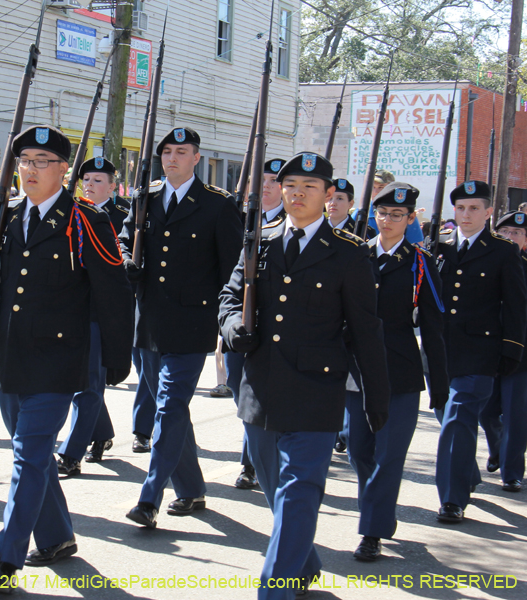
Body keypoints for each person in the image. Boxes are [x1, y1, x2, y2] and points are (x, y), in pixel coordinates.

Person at [0, 125, 132, 588]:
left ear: (64, 171)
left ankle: (6, 559)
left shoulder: (86, 222)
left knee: (29, 453)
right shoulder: (7, 214)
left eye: (41, 161)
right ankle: (56, 538)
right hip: (11, 357)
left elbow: (114, 293)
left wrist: (117, 356)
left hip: (58, 361)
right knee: (34, 457)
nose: (30, 170)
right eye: (24, 161)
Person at [219, 152, 390, 598]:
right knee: (278, 491)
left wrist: (377, 397)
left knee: (299, 493)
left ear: (329, 195)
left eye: (309, 187)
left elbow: (365, 332)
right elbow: (229, 297)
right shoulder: (260, 240)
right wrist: (235, 326)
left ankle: (273, 590)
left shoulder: (349, 255)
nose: (296, 194)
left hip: (317, 392)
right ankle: (305, 561)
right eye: (290, 185)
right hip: (261, 388)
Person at [119, 126, 243, 528]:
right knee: (170, 412)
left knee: (169, 408)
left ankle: (150, 496)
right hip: (149, 322)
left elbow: (232, 272)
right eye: (167, 152)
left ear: (196, 158)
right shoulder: (144, 200)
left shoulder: (218, 206)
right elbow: (121, 242)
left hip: (192, 325)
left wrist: (229, 324)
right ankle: (190, 489)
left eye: (181, 151)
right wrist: (127, 261)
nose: (172, 158)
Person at [345, 182, 448, 561]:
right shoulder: (356, 255)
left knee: (389, 455)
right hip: (357, 373)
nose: (388, 221)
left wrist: (440, 383)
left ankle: (371, 529)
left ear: (410, 219)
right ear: (374, 216)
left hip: (400, 374)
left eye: (397, 215)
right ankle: (377, 515)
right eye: (383, 213)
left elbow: (434, 327)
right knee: (359, 451)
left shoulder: (421, 262)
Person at [433, 181, 527, 523]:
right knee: (449, 419)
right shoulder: (438, 247)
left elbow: (516, 306)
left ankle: (451, 499)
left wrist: (511, 350)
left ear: (489, 213)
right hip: (440, 352)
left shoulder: (503, 251)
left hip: (480, 353)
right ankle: (467, 476)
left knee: (458, 418)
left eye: (474, 208)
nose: (466, 214)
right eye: (460, 208)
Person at [57, 156, 130, 473]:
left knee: (86, 385)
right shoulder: (68, 213)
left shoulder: (123, 217)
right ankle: (101, 433)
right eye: (86, 180)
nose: (90, 185)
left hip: (102, 312)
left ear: (113, 187)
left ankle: (71, 453)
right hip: (71, 310)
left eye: (98, 180)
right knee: (87, 381)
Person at [229, 157, 286, 490]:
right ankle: (258, 451)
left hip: (275, 328)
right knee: (241, 392)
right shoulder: (239, 218)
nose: (264, 184)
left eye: (272, 179)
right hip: (240, 327)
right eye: (258, 179)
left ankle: (250, 462)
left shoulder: (291, 222)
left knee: (265, 397)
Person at [478, 211, 527, 493]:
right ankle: (497, 446)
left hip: (522, 354)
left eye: (517, 233)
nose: (511, 237)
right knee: (486, 411)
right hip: (487, 349)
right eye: (505, 231)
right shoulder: (488, 261)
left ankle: (512, 472)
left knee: (515, 414)